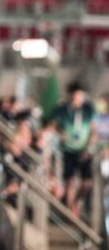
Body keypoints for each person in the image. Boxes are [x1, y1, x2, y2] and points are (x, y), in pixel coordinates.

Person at [53, 81, 97, 216]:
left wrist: (89, 146)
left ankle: (76, 203)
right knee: (70, 180)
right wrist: (61, 133)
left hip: (83, 149)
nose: (78, 99)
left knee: (87, 182)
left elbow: (93, 129)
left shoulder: (88, 110)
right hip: (69, 149)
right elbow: (55, 125)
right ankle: (70, 212)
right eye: (76, 96)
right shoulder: (63, 109)